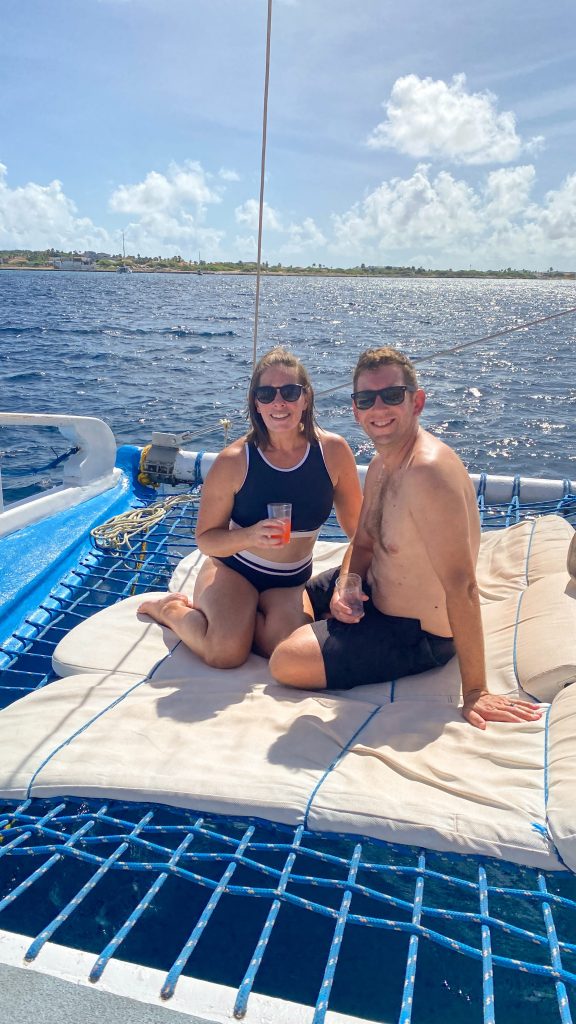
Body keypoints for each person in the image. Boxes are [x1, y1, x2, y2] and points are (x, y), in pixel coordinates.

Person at [269, 346, 543, 730]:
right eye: (367, 399)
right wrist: (346, 584)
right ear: (356, 410)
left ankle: (325, 635)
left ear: (417, 402)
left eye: (392, 396)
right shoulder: (382, 463)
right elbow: (363, 543)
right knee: (280, 609)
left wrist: (477, 691)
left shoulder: (428, 473)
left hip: (415, 632)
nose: (379, 409)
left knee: (284, 660)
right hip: (370, 594)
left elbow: (462, 585)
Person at [138, 347, 362, 668]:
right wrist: (250, 536)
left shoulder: (333, 452)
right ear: (256, 402)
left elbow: (360, 531)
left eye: (289, 392)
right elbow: (206, 539)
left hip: (290, 581)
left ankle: (246, 619)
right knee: (225, 654)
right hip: (233, 571)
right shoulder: (234, 460)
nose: (278, 402)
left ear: (306, 398)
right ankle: (171, 610)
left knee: (287, 651)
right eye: (266, 393)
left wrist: (349, 582)